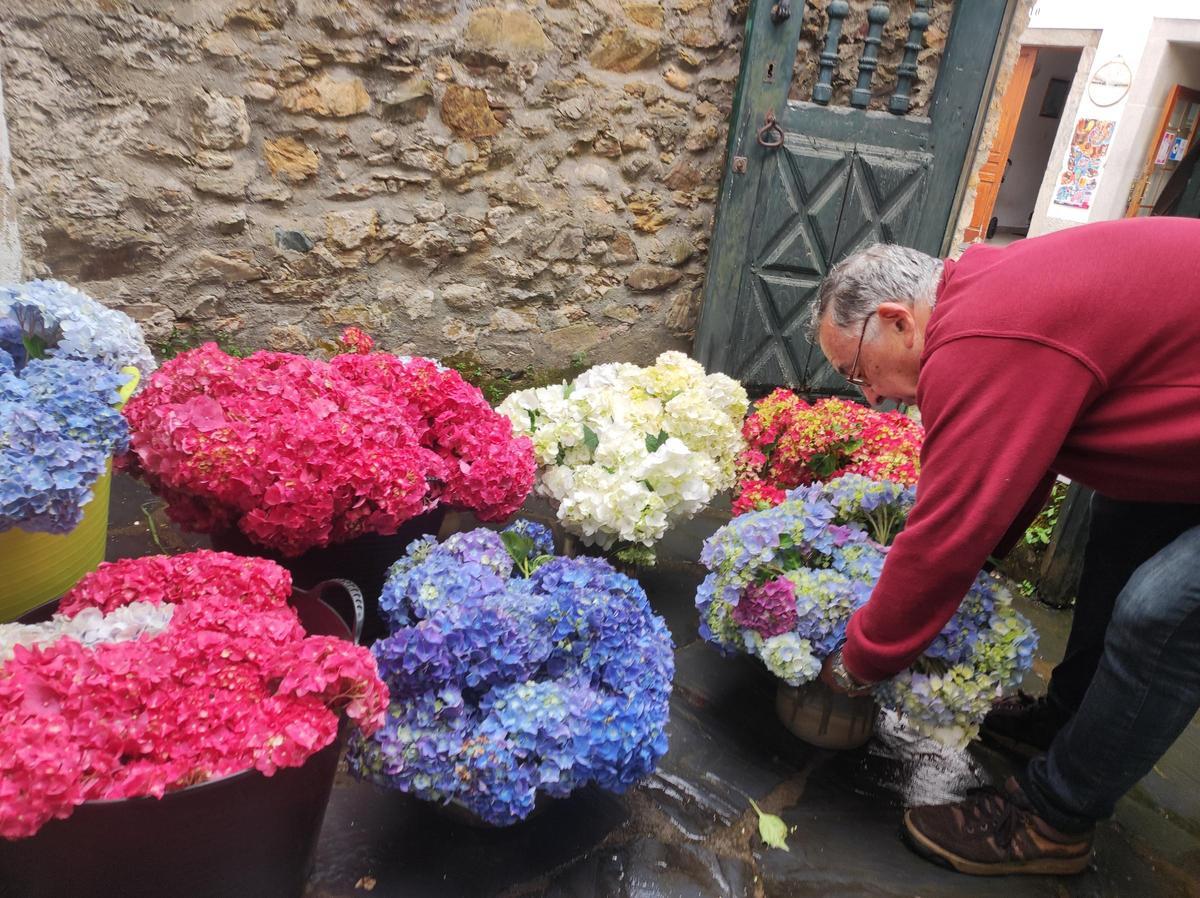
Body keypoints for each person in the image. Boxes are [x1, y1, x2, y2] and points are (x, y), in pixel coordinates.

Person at [810, 217, 1200, 876]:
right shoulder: (991, 297)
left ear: (897, 320)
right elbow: (1017, 469)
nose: (871, 396)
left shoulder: (982, 333)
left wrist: (859, 661)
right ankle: (1068, 722)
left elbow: (948, 528)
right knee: (1123, 515)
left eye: (856, 372)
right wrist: (980, 561)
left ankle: (1055, 819)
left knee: (1160, 612)